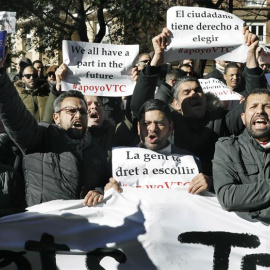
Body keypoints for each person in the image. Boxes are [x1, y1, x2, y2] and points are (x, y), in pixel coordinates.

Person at [130, 26, 266, 184]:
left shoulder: (223, 120)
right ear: (176, 103)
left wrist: (250, 56)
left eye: (197, 90)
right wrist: (156, 61)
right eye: (186, 93)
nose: (194, 94)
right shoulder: (168, 122)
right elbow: (140, 107)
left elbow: (258, 100)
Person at [0, 56, 110, 207]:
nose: (78, 115)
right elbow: (15, 115)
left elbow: (106, 183)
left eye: (83, 111)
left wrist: (100, 191)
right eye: (71, 111)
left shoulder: (98, 152)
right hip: (43, 227)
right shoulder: (39, 139)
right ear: (56, 117)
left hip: (83, 227)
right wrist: (1, 76)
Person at [106, 99, 204, 194]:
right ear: (139, 128)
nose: (152, 129)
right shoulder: (118, 161)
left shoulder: (191, 162)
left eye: (160, 123)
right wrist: (104, 190)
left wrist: (208, 183)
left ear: (170, 128)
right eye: (146, 124)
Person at [213, 88, 270, 224]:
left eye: (267, 106)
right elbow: (228, 197)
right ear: (244, 118)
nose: (260, 111)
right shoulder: (227, 148)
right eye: (253, 106)